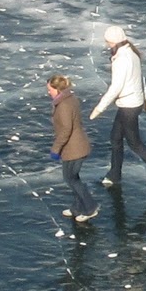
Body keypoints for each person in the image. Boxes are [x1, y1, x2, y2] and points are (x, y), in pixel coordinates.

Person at [90, 25, 146, 191]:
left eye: (107, 41)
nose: (106, 45)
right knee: (115, 138)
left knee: (135, 143)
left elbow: (116, 87)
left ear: (113, 41)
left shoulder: (122, 59)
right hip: (131, 103)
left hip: (129, 106)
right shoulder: (131, 53)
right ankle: (114, 174)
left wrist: (100, 108)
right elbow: (140, 79)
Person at [46, 74, 98, 227]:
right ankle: (77, 208)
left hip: (74, 148)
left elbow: (66, 130)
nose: (48, 92)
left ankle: (90, 207)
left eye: (50, 89)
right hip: (75, 147)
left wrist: (56, 149)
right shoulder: (69, 99)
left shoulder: (64, 105)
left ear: (57, 89)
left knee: (71, 178)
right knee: (72, 177)